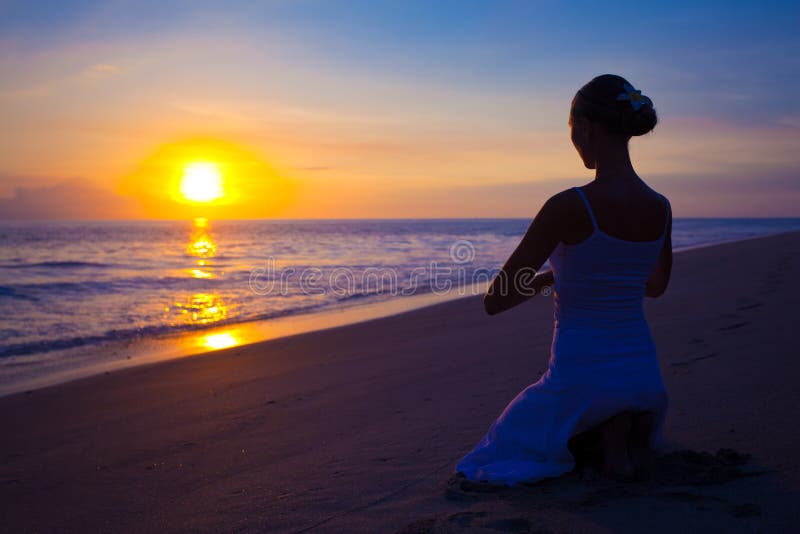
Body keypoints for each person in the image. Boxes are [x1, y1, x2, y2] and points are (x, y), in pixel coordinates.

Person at [454, 74, 672, 485]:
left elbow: (496, 299)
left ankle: (602, 428)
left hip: (581, 376)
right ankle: (618, 427)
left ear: (585, 129)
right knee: (605, 405)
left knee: (497, 450)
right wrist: (604, 277)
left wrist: (550, 279)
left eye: (572, 131)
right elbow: (655, 286)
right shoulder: (660, 207)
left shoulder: (567, 206)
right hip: (645, 377)